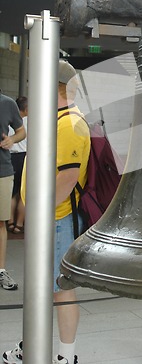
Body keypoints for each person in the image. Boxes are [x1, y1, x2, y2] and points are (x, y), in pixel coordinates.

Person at [3, 60, 90, 364]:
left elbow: (66, 180)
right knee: (46, 289)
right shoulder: (59, 119)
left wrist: (39, 215)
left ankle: (66, 356)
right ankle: (33, 344)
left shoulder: (69, 123)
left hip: (56, 220)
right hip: (49, 220)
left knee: (60, 290)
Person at [0, 90, 26, 291]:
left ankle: (1, 271)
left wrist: (12, 140)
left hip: (3, 170)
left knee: (1, 222)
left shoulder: (7, 103)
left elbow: (21, 131)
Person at [7, 96, 28, 234]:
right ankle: (19, 224)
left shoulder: (9, 120)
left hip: (9, 158)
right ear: (26, 108)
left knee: (11, 192)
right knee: (23, 194)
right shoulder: (30, 121)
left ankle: (9, 222)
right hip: (24, 158)